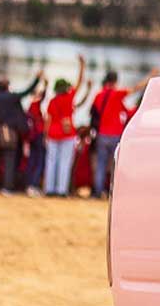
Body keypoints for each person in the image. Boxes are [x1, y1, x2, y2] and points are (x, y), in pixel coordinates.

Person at [0, 65, 45, 195]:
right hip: (10, 134)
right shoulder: (12, 97)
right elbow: (27, 91)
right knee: (9, 160)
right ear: (8, 86)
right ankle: (7, 188)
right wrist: (37, 79)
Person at [88, 66, 147, 199]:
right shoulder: (116, 94)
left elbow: (95, 112)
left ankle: (97, 191)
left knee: (101, 165)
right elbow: (135, 89)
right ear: (115, 81)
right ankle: (113, 192)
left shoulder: (99, 95)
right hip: (114, 135)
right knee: (115, 166)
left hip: (102, 135)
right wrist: (149, 78)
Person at [41, 54, 86, 197]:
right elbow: (80, 82)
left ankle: (49, 189)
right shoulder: (69, 97)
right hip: (68, 134)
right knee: (65, 163)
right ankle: (61, 190)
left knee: (51, 162)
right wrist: (82, 66)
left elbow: (48, 119)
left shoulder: (52, 101)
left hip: (53, 133)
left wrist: (45, 135)